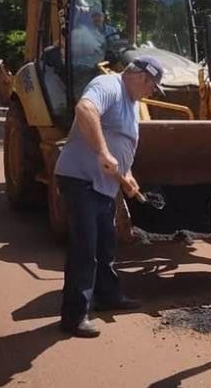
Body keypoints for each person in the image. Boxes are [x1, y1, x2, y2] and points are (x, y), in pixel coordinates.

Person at [54, 55, 165, 338]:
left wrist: (127, 177)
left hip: (105, 184)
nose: (153, 92)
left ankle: (107, 296)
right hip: (81, 180)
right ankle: (74, 315)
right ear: (141, 76)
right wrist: (103, 152)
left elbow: (121, 142)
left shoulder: (132, 102)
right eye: (153, 85)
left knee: (105, 245)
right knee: (85, 248)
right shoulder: (109, 84)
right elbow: (85, 109)